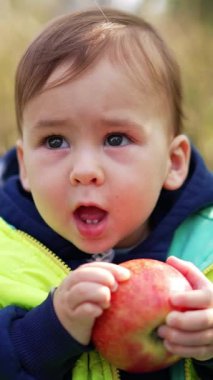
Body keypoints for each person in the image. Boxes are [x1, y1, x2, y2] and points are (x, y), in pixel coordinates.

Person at [0, 7, 212, 380]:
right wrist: (46, 333)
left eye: (115, 139)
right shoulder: (6, 257)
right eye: (54, 141)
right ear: (25, 165)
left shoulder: (206, 251)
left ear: (173, 162)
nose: (84, 171)